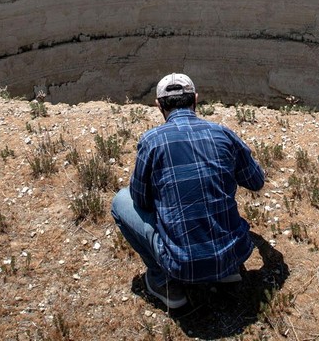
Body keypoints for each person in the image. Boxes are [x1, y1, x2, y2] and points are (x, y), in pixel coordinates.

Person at [111, 73, 266, 310]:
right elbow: (256, 182)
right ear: (195, 99)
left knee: (121, 200)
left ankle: (163, 282)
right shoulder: (223, 134)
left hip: (182, 265)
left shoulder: (152, 141)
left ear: (159, 105)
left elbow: (140, 200)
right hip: (235, 251)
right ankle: (226, 271)